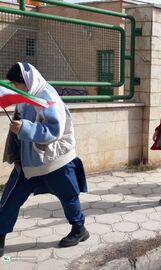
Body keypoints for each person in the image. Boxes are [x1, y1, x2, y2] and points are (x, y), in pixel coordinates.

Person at [0, 63, 89, 256]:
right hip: (27, 163)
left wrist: (24, 128)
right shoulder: (26, 96)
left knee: (68, 196)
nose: (13, 86)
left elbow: (54, 130)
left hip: (53, 162)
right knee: (9, 200)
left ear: (26, 81)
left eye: (15, 83)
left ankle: (79, 229)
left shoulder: (48, 97)